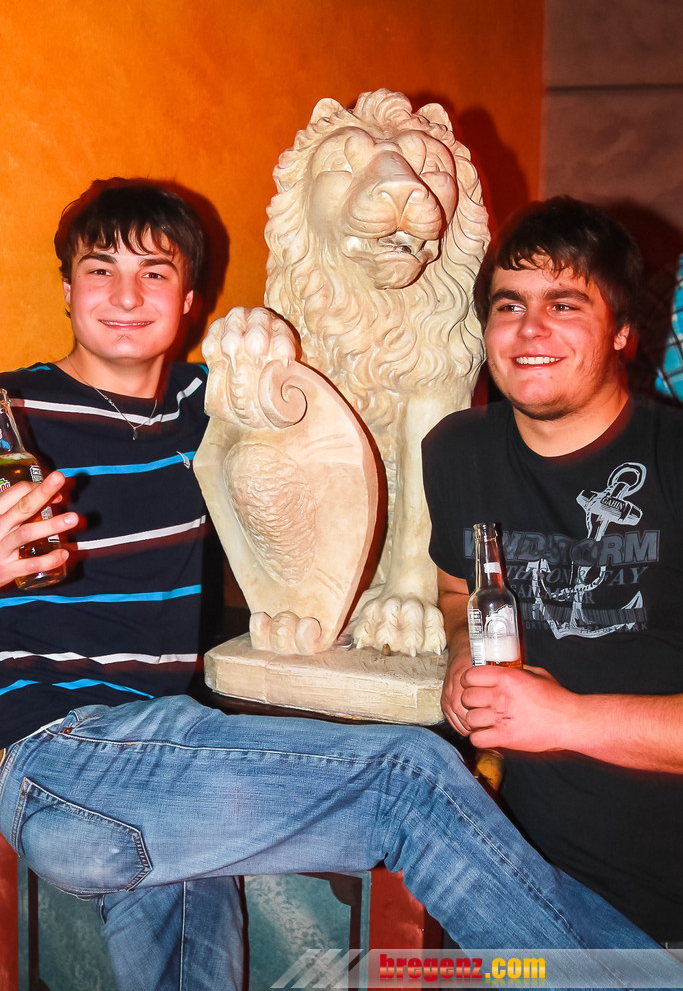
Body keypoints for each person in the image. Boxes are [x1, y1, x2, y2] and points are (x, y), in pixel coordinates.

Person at [0, 181, 679, 991]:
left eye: (153, 273)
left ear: (188, 300)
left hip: (168, 782)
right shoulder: (9, 413)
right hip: (55, 756)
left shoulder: (215, 404)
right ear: (65, 288)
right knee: (409, 778)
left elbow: (337, 406)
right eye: (99, 270)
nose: (124, 296)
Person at [422, 195, 683, 950]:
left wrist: (561, 718)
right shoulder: (456, 451)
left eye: (563, 304)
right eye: (510, 305)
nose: (530, 329)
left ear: (623, 331)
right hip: (520, 886)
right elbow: (456, 589)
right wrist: (462, 653)